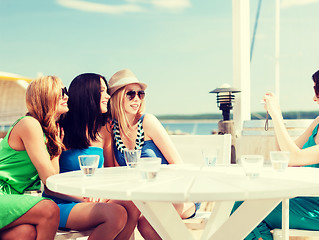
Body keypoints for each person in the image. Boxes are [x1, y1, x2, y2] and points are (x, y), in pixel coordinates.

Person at [232, 62, 319, 240]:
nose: (314, 98)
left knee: (244, 209)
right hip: (300, 200)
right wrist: (278, 120)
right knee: (242, 206)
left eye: (318, 92)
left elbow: (294, 158)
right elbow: (285, 155)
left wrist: (277, 115)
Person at [107, 69, 200, 240]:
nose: (137, 99)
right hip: (141, 198)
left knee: (147, 222)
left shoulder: (148, 122)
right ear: (117, 96)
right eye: (131, 94)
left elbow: (177, 164)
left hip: (172, 193)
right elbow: (116, 172)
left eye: (140, 94)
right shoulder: (111, 129)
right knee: (126, 214)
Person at [43, 73, 139, 240]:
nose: (108, 96)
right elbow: (50, 185)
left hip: (94, 200)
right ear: (87, 95)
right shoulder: (59, 131)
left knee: (133, 205)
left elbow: (111, 172)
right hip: (61, 203)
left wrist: (102, 195)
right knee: (115, 214)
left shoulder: (104, 130)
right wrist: (84, 198)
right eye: (102, 91)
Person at [0, 76, 64, 239]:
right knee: (49, 209)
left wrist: (55, 149)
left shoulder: (44, 131)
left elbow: (52, 184)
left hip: (12, 197)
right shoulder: (29, 124)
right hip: (3, 194)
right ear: (47, 96)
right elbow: (49, 178)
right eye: (62, 92)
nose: (66, 96)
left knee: (25, 233)